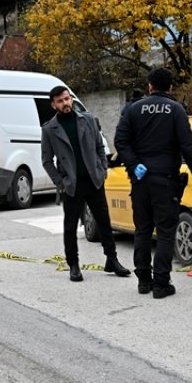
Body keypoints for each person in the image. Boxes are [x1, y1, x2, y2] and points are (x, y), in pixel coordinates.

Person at [113, 68, 192, 299]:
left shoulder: (133, 109)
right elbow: (189, 146)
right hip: (165, 180)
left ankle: (144, 280)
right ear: (171, 87)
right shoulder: (176, 110)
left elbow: (120, 141)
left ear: (149, 86)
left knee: (143, 230)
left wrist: (135, 164)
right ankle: (161, 283)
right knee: (165, 231)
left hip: (140, 180)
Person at [41, 86, 131, 282]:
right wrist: (61, 183)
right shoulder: (49, 129)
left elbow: (100, 146)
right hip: (71, 184)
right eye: (60, 101)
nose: (65, 103)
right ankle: (73, 264)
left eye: (66, 99)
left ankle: (112, 259)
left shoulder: (88, 120)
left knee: (104, 222)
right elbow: (47, 161)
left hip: (94, 180)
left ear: (71, 99)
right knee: (70, 225)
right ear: (53, 105)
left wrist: (102, 171)